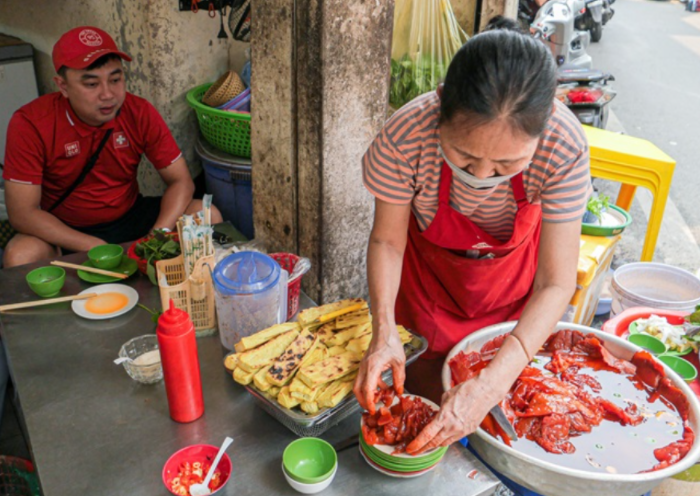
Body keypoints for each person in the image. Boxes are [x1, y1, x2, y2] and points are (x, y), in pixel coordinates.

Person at [354, 22, 591, 454]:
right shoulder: (405, 137)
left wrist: (492, 383)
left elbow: (556, 282)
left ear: (544, 129)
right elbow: (387, 243)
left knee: (498, 432)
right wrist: (384, 331)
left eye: (506, 165)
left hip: (514, 313)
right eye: (464, 155)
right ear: (441, 105)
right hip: (427, 297)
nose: (482, 176)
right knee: (425, 419)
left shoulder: (564, 146)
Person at [2, 26, 221, 268]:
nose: (108, 95)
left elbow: (181, 181)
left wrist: (156, 235)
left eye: (115, 80)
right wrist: (93, 246)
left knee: (205, 214)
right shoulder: (31, 123)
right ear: (63, 87)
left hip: (129, 216)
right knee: (20, 254)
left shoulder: (138, 112)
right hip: (64, 228)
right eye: (92, 84)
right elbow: (23, 213)